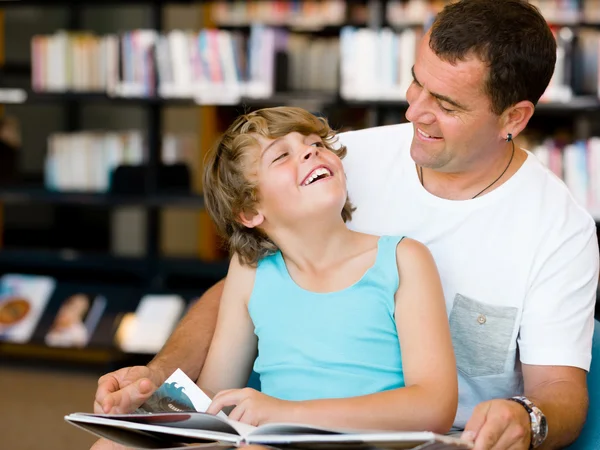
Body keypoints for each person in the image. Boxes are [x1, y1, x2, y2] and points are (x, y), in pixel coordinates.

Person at [94, 1, 600, 449]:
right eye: (417, 82)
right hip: (274, 427)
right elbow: (240, 293)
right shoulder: (340, 162)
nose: (413, 111)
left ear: (514, 118)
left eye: (445, 105)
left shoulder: (557, 229)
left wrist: (526, 419)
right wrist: (156, 381)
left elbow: (559, 395)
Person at [197, 106, 457, 431]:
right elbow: (212, 401)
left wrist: (284, 413)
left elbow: (435, 408)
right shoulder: (250, 271)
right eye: (281, 156)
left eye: (316, 144)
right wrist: (143, 399)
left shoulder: (404, 260)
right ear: (249, 211)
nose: (310, 152)